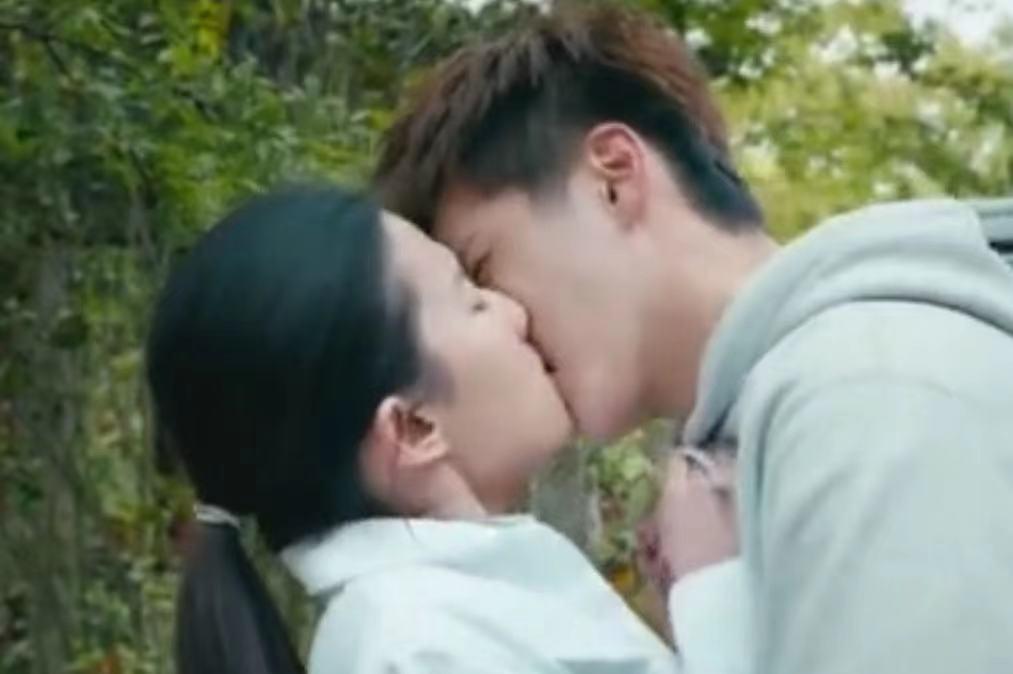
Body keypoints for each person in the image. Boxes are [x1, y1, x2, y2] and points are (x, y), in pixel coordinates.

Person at [373, 4, 1013, 673]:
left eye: (483, 268)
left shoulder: (868, 390)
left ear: (612, 177)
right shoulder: (780, 427)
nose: (508, 319)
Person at [147, 184, 680, 674]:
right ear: (413, 429)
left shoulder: (441, 616)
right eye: (472, 301)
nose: (514, 313)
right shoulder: (422, 648)